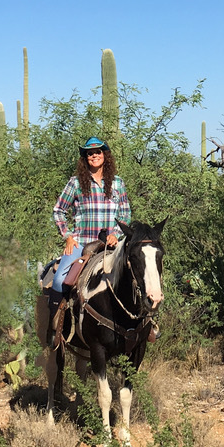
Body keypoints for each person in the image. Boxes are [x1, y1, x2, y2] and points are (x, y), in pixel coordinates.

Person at [48, 137, 130, 321]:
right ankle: (55, 329)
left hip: (111, 245)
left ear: (105, 156)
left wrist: (115, 234)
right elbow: (58, 210)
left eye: (98, 152)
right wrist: (68, 236)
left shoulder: (117, 183)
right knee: (60, 280)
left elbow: (125, 214)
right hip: (83, 243)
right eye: (89, 153)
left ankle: (145, 324)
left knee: (137, 274)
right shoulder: (75, 183)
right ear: (85, 158)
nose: (94, 156)